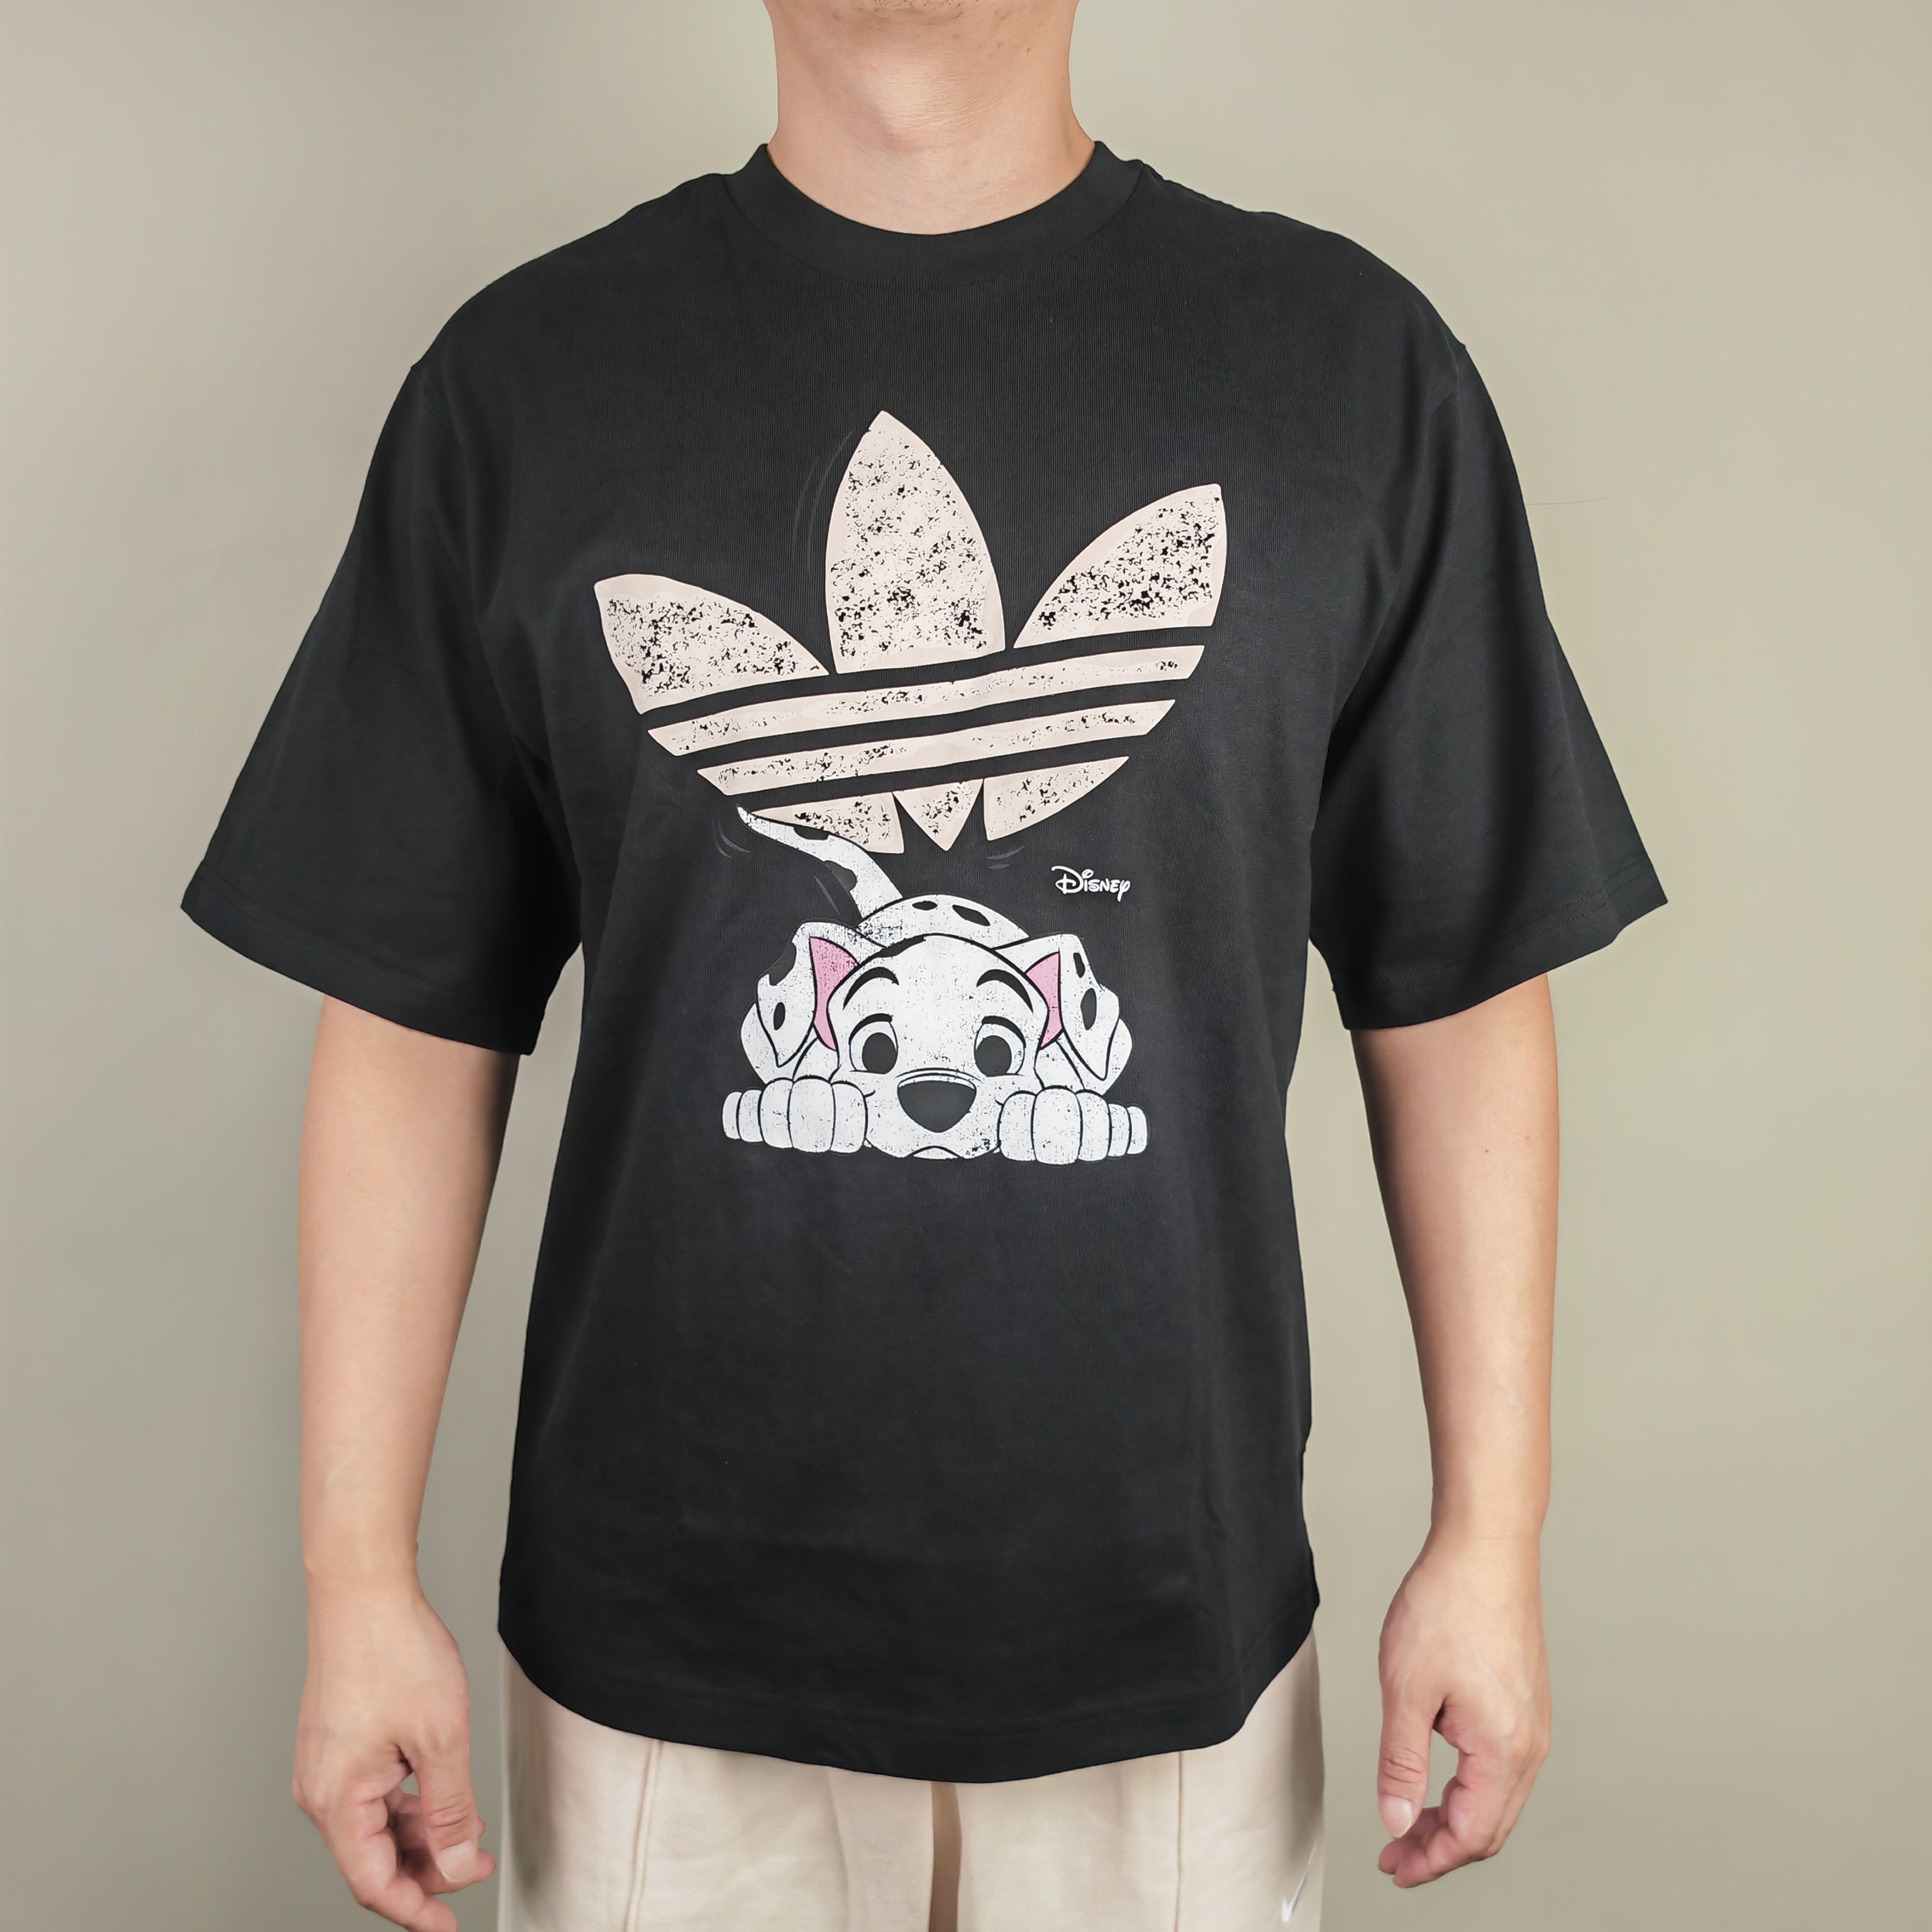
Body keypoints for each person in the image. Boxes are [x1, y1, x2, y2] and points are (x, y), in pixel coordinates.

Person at [184, 2, 1663, 1926]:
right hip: (659, 1663)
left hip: (1170, 1648)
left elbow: (1456, 997)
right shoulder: (523, 385)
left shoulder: (1349, 373)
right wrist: (356, 1581)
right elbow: (408, 1018)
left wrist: (1493, 1537)